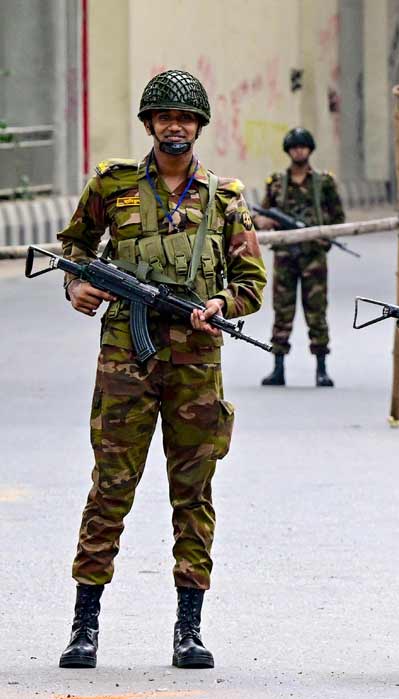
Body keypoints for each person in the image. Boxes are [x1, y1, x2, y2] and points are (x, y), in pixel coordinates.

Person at [55, 69, 266, 669]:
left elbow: (251, 282)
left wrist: (223, 305)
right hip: (125, 361)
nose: (175, 126)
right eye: (165, 117)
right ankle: (84, 625)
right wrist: (76, 285)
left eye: (186, 118)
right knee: (111, 489)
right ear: (149, 124)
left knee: (193, 494)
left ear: (199, 127)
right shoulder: (112, 184)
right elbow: (74, 246)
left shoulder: (225, 198)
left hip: (197, 367)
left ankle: (189, 629)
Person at [256, 127, 346, 387]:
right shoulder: (276, 183)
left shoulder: (323, 183)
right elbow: (262, 215)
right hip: (285, 256)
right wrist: (266, 222)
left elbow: (337, 218)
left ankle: (321, 368)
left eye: (302, 147)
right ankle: (278, 367)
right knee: (282, 311)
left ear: (309, 150)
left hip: (313, 257)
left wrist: (321, 238)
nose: (298, 151)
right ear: (288, 151)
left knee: (316, 312)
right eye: (294, 147)